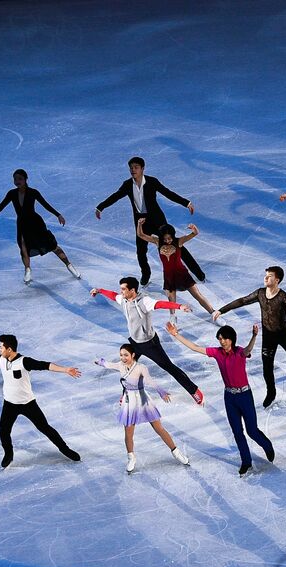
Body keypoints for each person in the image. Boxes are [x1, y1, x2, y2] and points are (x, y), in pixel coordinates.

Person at [166, 322, 274, 477]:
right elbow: (195, 348)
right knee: (237, 431)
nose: (222, 341)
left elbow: (248, 350)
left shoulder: (239, 352)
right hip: (229, 397)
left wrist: (254, 336)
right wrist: (175, 335)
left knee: (252, 430)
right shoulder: (217, 353)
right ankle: (246, 461)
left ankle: (267, 445)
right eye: (220, 339)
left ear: (231, 339)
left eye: (224, 338)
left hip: (244, 396)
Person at [213, 266, 286, 407]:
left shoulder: (283, 296)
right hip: (268, 336)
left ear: (277, 280)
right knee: (267, 368)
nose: (266, 278)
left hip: (284, 334)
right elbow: (242, 301)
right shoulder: (260, 293)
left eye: (270, 276)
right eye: (266, 275)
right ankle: (271, 392)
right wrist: (221, 310)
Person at [0, 334, 81, 469]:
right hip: (9, 404)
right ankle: (8, 454)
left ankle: (65, 449)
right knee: (4, 432)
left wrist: (65, 369)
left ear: (9, 349)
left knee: (45, 428)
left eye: (1, 347)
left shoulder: (24, 362)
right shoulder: (1, 360)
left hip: (28, 404)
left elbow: (45, 365)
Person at [95, 156, 206, 288]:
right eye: (131, 168)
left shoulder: (152, 182)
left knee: (176, 245)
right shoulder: (127, 185)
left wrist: (186, 203)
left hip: (157, 220)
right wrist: (100, 207)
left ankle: (198, 273)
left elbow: (168, 193)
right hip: (141, 222)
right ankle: (146, 275)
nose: (133, 170)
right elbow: (115, 196)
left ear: (142, 169)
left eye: (136, 167)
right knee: (141, 252)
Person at [91, 278, 203, 405]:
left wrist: (179, 306)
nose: (120, 291)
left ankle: (194, 391)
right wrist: (100, 290)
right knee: (127, 369)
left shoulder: (144, 301)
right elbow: (113, 295)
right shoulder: (123, 299)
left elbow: (160, 304)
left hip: (150, 344)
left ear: (132, 290)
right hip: (134, 343)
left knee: (170, 367)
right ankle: (127, 394)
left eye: (123, 289)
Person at [95, 343, 191, 473]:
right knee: (128, 433)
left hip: (143, 399)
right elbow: (108, 364)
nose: (123, 358)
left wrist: (161, 391)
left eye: (126, 355)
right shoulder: (120, 365)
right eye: (121, 355)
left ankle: (176, 452)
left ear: (133, 355)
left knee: (159, 428)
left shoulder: (141, 367)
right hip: (129, 401)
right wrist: (99, 361)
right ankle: (131, 458)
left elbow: (150, 381)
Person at [0, 168, 80, 285]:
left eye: (20, 179)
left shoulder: (33, 192)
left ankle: (69, 265)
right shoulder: (11, 194)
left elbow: (45, 204)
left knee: (52, 246)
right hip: (22, 224)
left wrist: (58, 215)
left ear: (26, 179)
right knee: (24, 248)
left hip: (36, 223)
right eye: (15, 179)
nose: (17, 181)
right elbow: (1, 206)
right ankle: (27, 269)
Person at [134, 219, 217, 314]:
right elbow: (141, 235)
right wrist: (139, 224)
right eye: (165, 239)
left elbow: (194, 234)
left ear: (173, 236)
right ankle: (173, 320)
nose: (167, 241)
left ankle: (213, 312)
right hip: (169, 276)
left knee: (197, 295)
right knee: (171, 302)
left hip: (182, 274)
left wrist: (194, 229)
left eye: (169, 238)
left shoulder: (179, 241)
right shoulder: (157, 241)